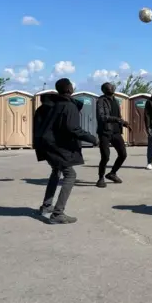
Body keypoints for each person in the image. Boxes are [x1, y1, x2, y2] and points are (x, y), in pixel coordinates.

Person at [33, 78, 98, 224]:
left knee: (56, 171)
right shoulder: (68, 106)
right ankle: (58, 213)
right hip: (56, 146)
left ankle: (46, 206)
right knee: (70, 175)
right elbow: (72, 128)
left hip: (46, 144)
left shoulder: (51, 104)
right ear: (69, 89)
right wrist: (93, 138)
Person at [95, 82, 130, 188]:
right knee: (105, 156)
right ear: (104, 90)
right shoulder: (101, 101)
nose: (111, 88)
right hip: (105, 132)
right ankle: (100, 178)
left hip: (116, 132)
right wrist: (117, 119)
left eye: (112, 86)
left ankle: (112, 173)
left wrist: (123, 123)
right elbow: (102, 117)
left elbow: (117, 116)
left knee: (123, 154)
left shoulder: (115, 100)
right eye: (108, 87)